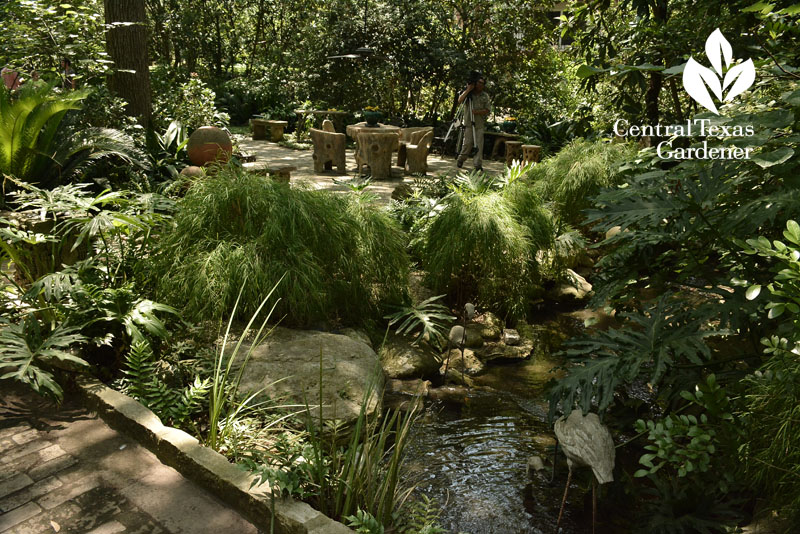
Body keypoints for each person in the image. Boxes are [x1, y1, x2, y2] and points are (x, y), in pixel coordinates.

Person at [456, 74, 490, 171]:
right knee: (467, 144)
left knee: (479, 145)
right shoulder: (468, 94)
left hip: (479, 125)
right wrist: (468, 89)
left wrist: (477, 112)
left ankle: (477, 164)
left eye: (482, 84)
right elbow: (460, 100)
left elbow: (487, 110)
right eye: (478, 83)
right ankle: (461, 159)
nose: (480, 85)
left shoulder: (485, 96)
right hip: (468, 123)